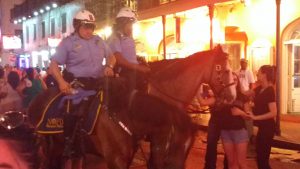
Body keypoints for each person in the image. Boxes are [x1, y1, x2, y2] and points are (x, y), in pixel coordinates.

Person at [49, 9, 115, 161]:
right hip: (77, 84)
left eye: (91, 26)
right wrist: (61, 82)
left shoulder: (99, 40)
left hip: (99, 82)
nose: (89, 30)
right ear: (77, 26)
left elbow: (111, 57)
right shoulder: (67, 43)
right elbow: (53, 65)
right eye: (85, 26)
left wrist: (110, 66)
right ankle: (68, 143)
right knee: (75, 109)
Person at [107, 7, 150, 91]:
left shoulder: (128, 37)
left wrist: (139, 60)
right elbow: (119, 59)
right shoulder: (114, 38)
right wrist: (139, 68)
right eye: (129, 24)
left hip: (133, 70)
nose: (131, 27)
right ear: (122, 24)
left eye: (132, 25)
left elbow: (130, 57)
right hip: (124, 72)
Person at [248, 65, 277, 169]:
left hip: (268, 128)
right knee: (259, 158)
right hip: (260, 128)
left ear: (264, 74)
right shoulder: (260, 88)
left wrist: (256, 117)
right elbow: (245, 93)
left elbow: (273, 113)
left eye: (259, 72)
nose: (257, 74)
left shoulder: (269, 90)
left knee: (262, 159)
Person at [219, 75, 250, 169]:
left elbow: (249, 117)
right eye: (231, 79)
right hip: (225, 132)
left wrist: (240, 113)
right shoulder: (222, 97)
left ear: (238, 81)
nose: (233, 81)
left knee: (242, 163)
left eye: (235, 79)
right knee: (231, 163)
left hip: (239, 132)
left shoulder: (243, 97)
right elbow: (205, 103)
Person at [196, 84, 228, 169]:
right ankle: (210, 166)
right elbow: (202, 101)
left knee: (227, 146)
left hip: (225, 121)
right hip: (215, 119)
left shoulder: (229, 91)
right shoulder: (211, 89)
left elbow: (203, 102)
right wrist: (197, 90)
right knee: (211, 145)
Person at [236, 58, 255, 141]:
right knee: (240, 112)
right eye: (242, 63)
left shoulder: (249, 72)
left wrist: (250, 94)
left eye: (245, 63)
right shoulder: (237, 71)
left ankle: (250, 134)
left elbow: (251, 83)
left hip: (246, 93)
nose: (243, 64)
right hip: (239, 94)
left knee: (247, 112)